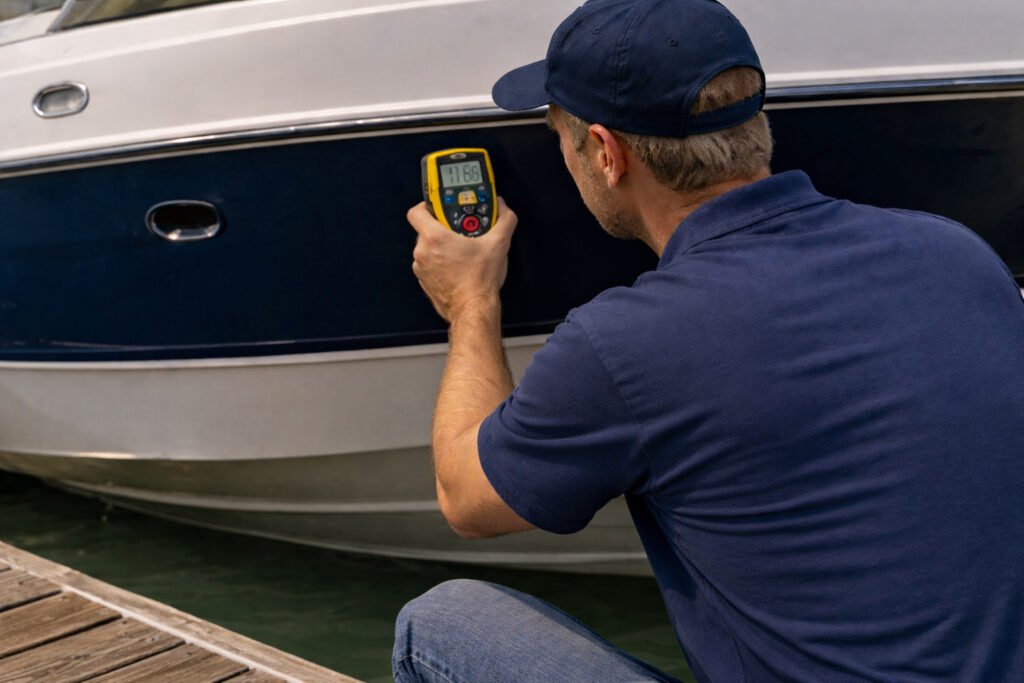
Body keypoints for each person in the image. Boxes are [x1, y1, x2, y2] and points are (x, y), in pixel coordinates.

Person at [393, 0, 1024, 680]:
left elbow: (467, 497)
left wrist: (471, 302)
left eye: (561, 139)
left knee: (438, 622)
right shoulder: (957, 254)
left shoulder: (623, 344)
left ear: (606, 154)